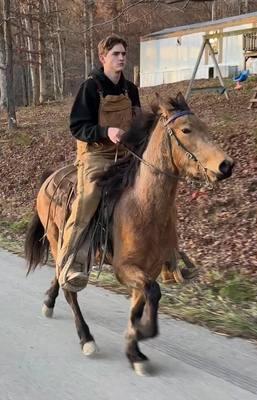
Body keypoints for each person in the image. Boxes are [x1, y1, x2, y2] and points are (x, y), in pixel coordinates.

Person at [57, 34, 141, 292]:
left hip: (126, 153)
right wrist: (106, 132)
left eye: (124, 54)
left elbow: (138, 121)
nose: (121, 58)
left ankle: (168, 258)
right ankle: (70, 263)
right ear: (103, 57)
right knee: (88, 198)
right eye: (116, 54)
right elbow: (78, 126)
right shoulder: (91, 87)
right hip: (95, 154)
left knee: (155, 188)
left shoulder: (131, 89)